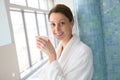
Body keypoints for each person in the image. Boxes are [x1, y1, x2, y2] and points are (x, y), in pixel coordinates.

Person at [36, 4, 93, 80]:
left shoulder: (84, 52)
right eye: (53, 24)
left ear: (72, 23)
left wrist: (52, 56)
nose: (57, 29)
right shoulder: (58, 50)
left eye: (62, 23)